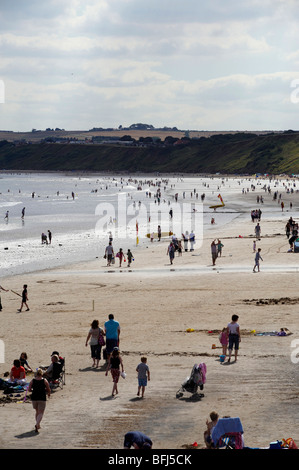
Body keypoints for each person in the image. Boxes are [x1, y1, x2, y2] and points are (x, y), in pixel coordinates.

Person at [28, 368, 51, 433]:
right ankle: (37, 424)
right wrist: (49, 394)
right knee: (41, 412)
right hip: (42, 397)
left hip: (34, 397)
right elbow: (48, 388)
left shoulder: (32, 380)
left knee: (37, 411)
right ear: (42, 374)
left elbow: (29, 389)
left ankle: (38, 425)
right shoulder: (44, 380)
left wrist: (33, 390)